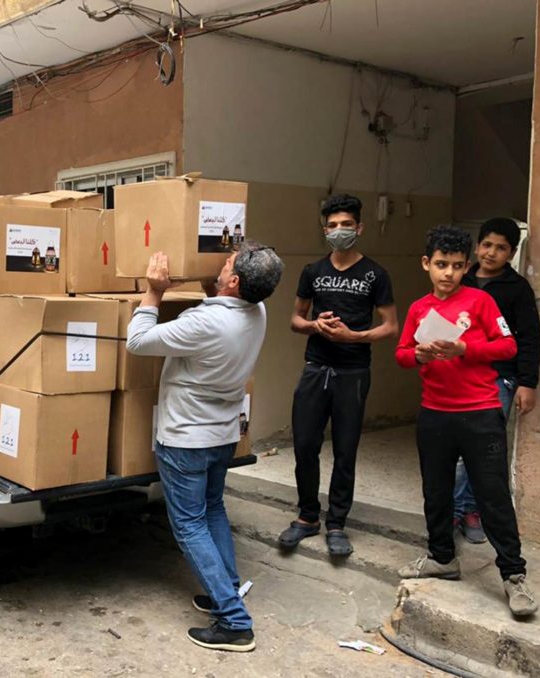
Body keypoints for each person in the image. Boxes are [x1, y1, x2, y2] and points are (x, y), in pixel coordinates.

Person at [127, 241, 284, 652]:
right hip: (222, 435)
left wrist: (155, 292)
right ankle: (224, 590)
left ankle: (234, 622)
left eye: (227, 262)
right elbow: (216, 302)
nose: (221, 262)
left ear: (233, 281)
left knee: (189, 525)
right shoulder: (258, 310)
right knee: (212, 509)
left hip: (186, 439)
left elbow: (138, 341)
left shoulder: (206, 323)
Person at [395, 225, 535, 619]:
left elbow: (508, 345)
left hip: (481, 412)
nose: (448, 274)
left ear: (466, 266)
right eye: (441, 265)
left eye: (457, 266)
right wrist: (419, 356)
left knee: (492, 495)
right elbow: (402, 354)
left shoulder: (481, 302)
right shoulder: (419, 308)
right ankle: (442, 557)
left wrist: (464, 348)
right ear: (427, 264)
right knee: (435, 491)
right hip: (435, 413)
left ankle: (513, 574)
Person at [280, 194, 398, 558]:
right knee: (304, 446)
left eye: (346, 225)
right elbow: (295, 320)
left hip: (353, 372)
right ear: (324, 229)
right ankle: (307, 516)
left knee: (345, 450)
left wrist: (354, 337)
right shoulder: (312, 272)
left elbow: (391, 326)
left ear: (359, 228)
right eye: (332, 226)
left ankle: (337, 524)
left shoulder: (375, 274)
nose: (339, 231)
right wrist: (315, 326)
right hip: (316, 369)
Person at [453, 218, 540, 544]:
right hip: (456, 376)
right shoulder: (459, 278)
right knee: (456, 447)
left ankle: (467, 510)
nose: (492, 252)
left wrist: (527, 383)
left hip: (499, 379)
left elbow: (530, 338)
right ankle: (457, 510)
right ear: (477, 246)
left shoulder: (517, 289)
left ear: (512, 252)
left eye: (501, 248)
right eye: (487, 245)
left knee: (483, 450)